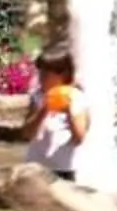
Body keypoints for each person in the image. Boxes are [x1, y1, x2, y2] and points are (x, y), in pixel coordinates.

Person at [23, 44, 88, 177]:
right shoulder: (37, 96)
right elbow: (27, 134)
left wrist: (69, 112)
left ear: (63, 74)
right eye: (40, 72)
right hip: (36, 166)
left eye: (46, 74)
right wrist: (44, 110)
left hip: (63, 169)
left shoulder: (76, 98)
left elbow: (79, 138)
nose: (41, 77)